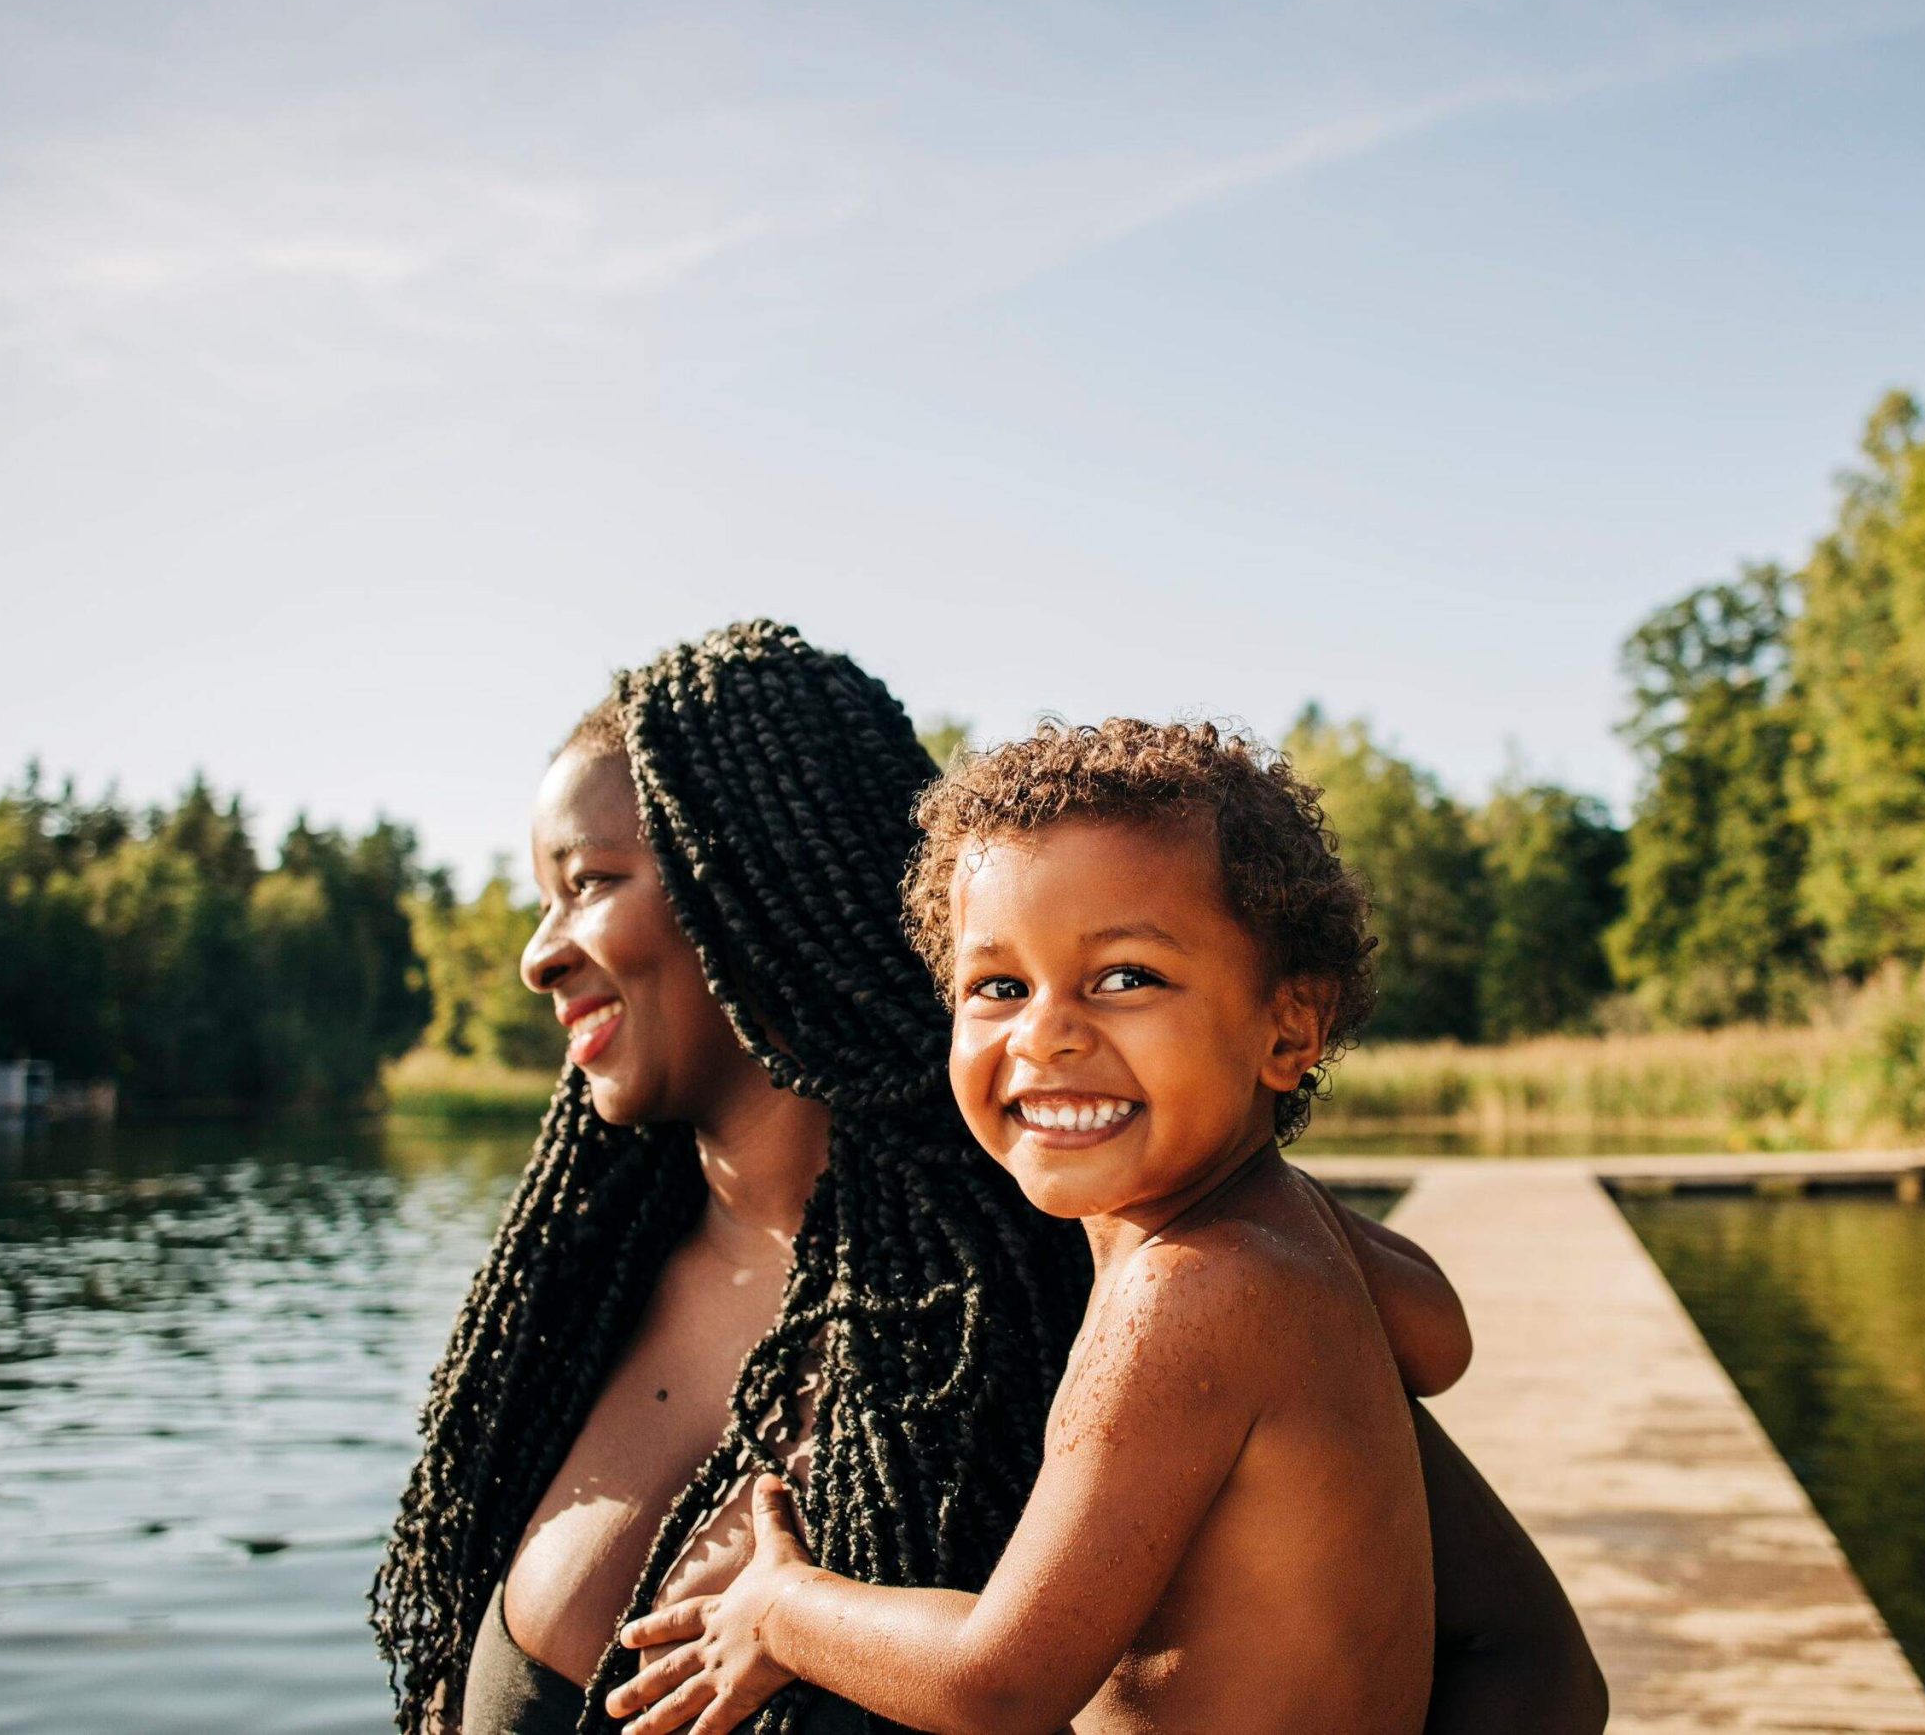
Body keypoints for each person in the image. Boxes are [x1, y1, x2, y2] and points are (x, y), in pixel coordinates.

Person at [372, 622, 1606, 1735]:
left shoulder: (1095, 1261)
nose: (539, 957)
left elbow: (1526, 1664)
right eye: (1002, 983)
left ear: (757, 888)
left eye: (586, 884)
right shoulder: (562, 1299)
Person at [606, 717, 1466, 1734]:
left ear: (1291, 1026)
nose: (1046, 1032)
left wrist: (779, 1609)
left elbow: (1000, 1684)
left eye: (1124, 978)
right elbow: (1439, 1339)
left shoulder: (1186, 1286)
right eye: (998, 987)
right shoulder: (1290, 1230)